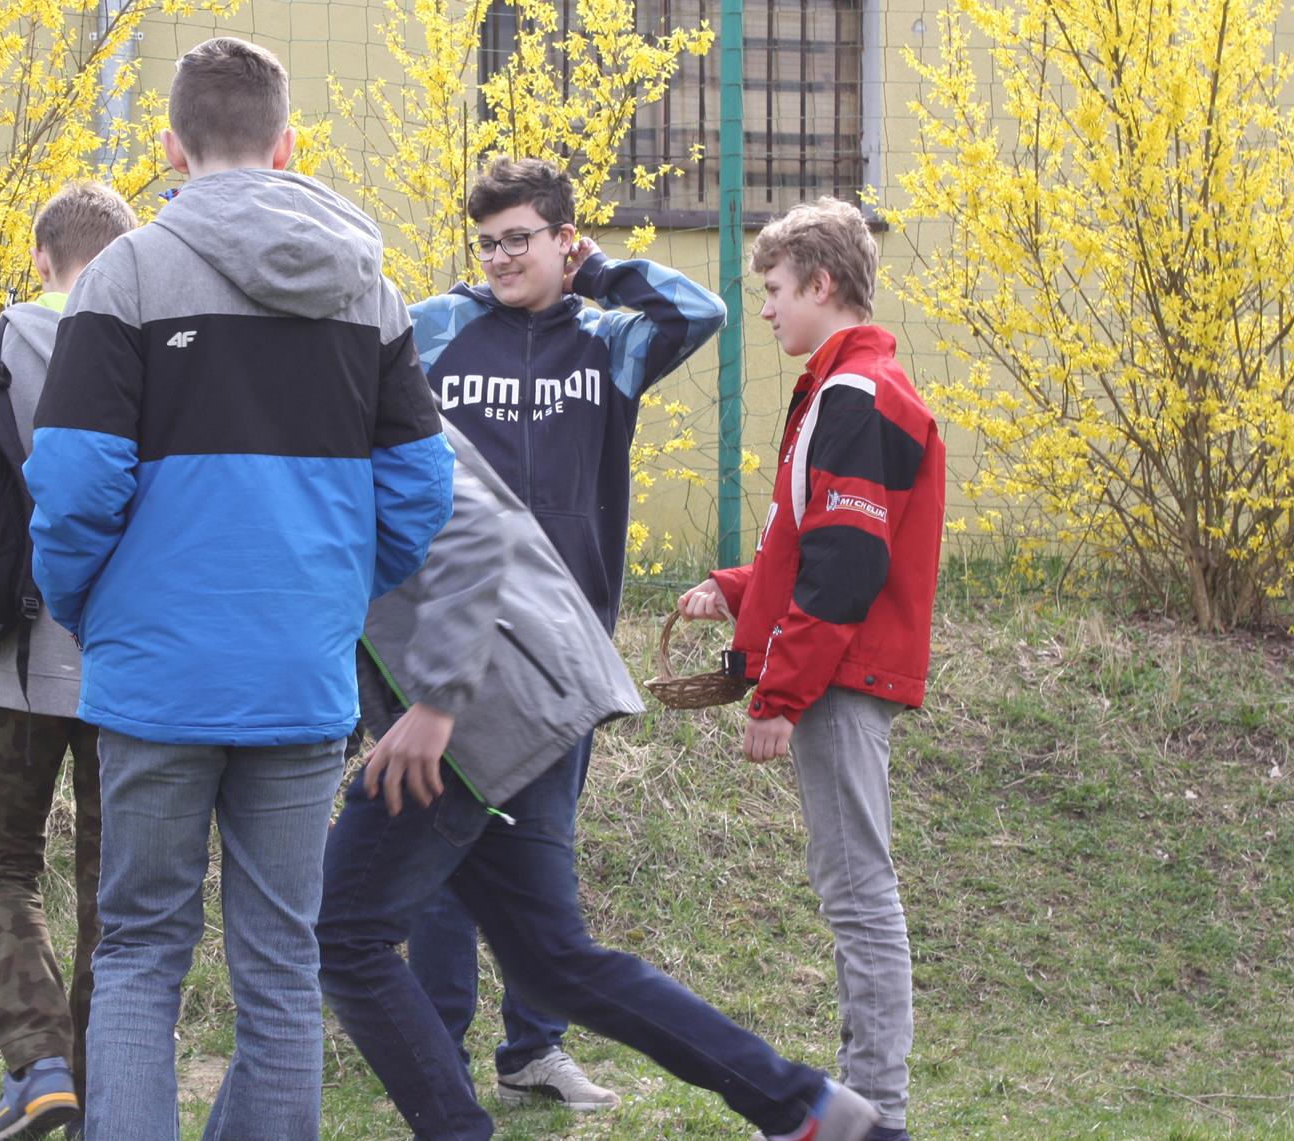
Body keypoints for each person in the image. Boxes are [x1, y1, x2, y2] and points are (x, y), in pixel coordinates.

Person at [23, 36, 454, 1141]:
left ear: (171, 149)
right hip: (298, 674)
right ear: (287, 144)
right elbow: (420, 488)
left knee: (139, 954)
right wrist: (328, 597)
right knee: (281, 965)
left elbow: (72, 483)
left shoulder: (123, 276)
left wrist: (88, 608)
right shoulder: (370, 290)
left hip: (153, 675)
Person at [318, 423, 882, 1141]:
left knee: (344, 933)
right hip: (521, 699)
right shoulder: (346, 384)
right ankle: (805, 1106)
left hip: (470, 709)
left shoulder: (350, 387)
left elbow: (478, 533)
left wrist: (436, 700)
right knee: (554, 963)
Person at [406, 155, 725, 1109]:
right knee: (440, 851)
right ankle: (433, 1049)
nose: (501, 257)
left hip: (564, 645)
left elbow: (700, 311)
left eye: (520, 239)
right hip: (452, 638)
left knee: (542, 851)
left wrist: (603, 273)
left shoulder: (608, 338)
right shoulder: (438, 328)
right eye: (488, 242)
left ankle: (533, 1051)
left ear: (563, 238)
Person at [677, 196, 946, 1141]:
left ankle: (876, 1113)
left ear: (822, 284)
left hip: (838, 678)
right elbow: (813, 539)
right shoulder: (845, 390)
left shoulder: (856, 396)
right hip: (838, 668)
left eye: (775, 289)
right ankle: (869, 1103)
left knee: (859, 893)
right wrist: (735, 589)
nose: (764, 309)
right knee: (853, 888)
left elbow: (847, 564)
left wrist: (780, 693)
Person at [0, 181, 138, 1140]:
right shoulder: (152, 342)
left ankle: (40, 1060)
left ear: (41, 257)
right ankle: (100, 1095)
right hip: (128, 663)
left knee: (1, 859)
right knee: (112, 887)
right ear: (126, 253)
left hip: (13, 658)